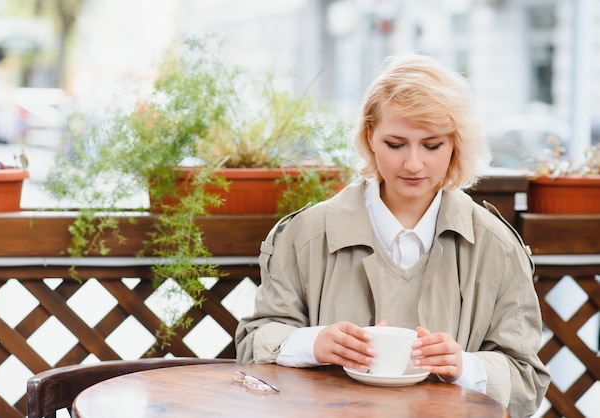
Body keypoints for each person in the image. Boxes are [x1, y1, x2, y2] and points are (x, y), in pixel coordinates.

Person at [235, 53, 550, 417]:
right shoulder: (305, 235)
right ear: (370, 136)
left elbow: (527, 383)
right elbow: (251, 346)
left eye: (432, 145)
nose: (413, 164)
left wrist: (465, 367)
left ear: (456, 144)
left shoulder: (497, 247)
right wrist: (313, 344)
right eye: (395, 144)